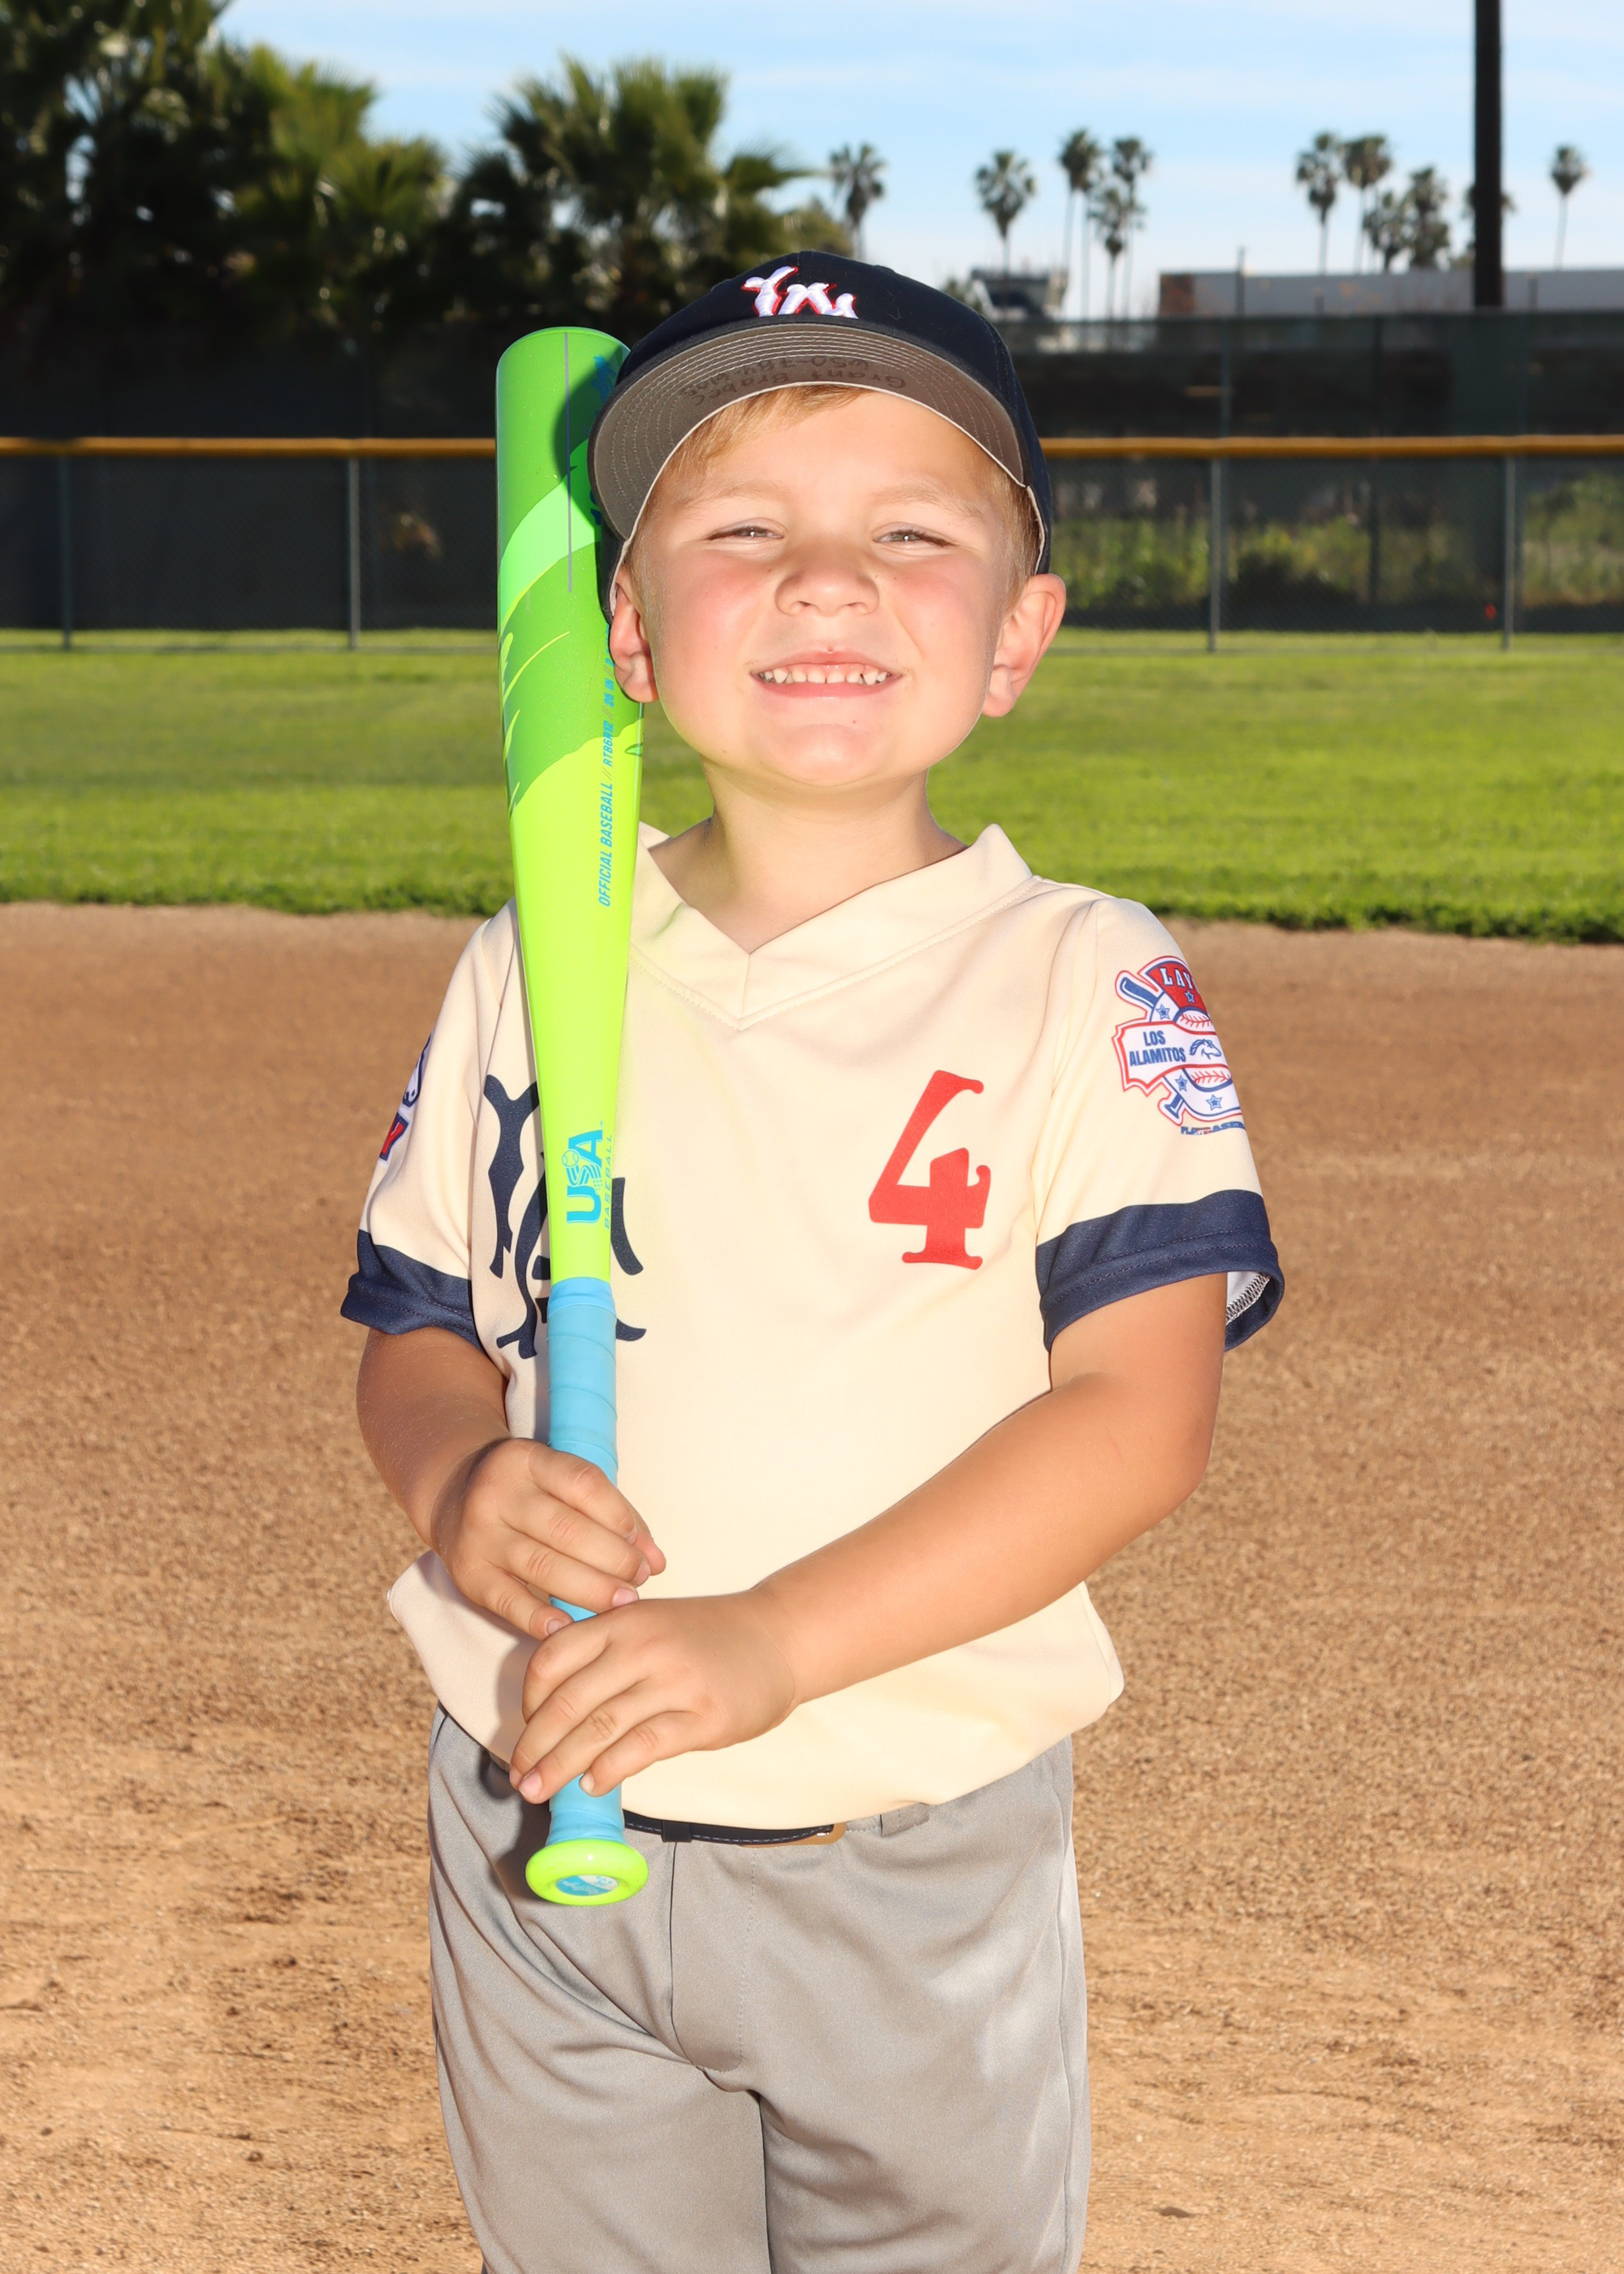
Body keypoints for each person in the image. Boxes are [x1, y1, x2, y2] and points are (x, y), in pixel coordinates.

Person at [342, 254, 1282, 2274]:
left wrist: (770, 1637)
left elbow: (1140, 1420)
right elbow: (417, 1325)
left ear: (1019, 632)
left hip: (901, 1843)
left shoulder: (1079, 975)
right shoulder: (525, 963)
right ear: (626, 630)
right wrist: (456, 1475)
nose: (827, 580)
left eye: (910, 534)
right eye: (744, 531)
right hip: (538, 1806)